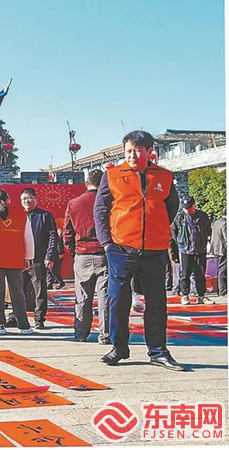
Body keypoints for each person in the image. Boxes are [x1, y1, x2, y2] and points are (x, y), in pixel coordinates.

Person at [95, 130, 183, 370]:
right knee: (118, 300)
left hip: (154, 249)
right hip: (121, 248)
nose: (132, 155)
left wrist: (156, 228)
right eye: (128, 151)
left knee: (156, 302)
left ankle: (158, 351)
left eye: (137, 151)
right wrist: (106, 242)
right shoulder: (112, 175)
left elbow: (171, 207)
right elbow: (100, 209)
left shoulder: (164, 176)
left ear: (149, 151)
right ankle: (119, 348)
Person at [64, 169, 110, 344]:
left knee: (82, 297)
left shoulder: (74, 203)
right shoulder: (109, 202)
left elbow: (67, 232)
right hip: (104, 252)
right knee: (105, 297)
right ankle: (105, 334)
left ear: (86, 183)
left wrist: (73, 251)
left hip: (82, 253)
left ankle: (81, 333)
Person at [0, 189, 35, 335]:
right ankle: (24, 325)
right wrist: (28, 258)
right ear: (8, 198)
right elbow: (28, 237)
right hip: (15, 258)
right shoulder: (21, 213)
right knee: (17, 293)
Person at [20, 187, 59, 329]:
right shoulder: (18, 216)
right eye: (24, 199)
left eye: (29, 198)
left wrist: (50, 255)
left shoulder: (45, 216)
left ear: (35, 199)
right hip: (20, 260)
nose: (26, 201)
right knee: (19, 290)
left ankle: (39, 318)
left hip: (38, 259)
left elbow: (53, 236)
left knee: (39, 290)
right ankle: (18, 316)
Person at [171, 195, 212, 305]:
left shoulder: (202, 216)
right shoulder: (179, 218)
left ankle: (201, 296)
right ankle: (185, 295)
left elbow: (208, 230)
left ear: (194, 205)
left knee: (200, 274)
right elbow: (173, 234)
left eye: (189, 207)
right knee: (185, 274)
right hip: (185, 250)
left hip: (200, 249)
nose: (187, 210)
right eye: (185, 208)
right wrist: (176, 249)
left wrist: (206, 241)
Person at [211, 208, 227, 301]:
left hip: (216, 249)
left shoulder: (216, 222)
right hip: (223, 250)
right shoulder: (225, 223)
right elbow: (226, 238)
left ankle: (220, 289)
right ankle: (223, 291)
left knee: (220, 270)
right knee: (223, 270)